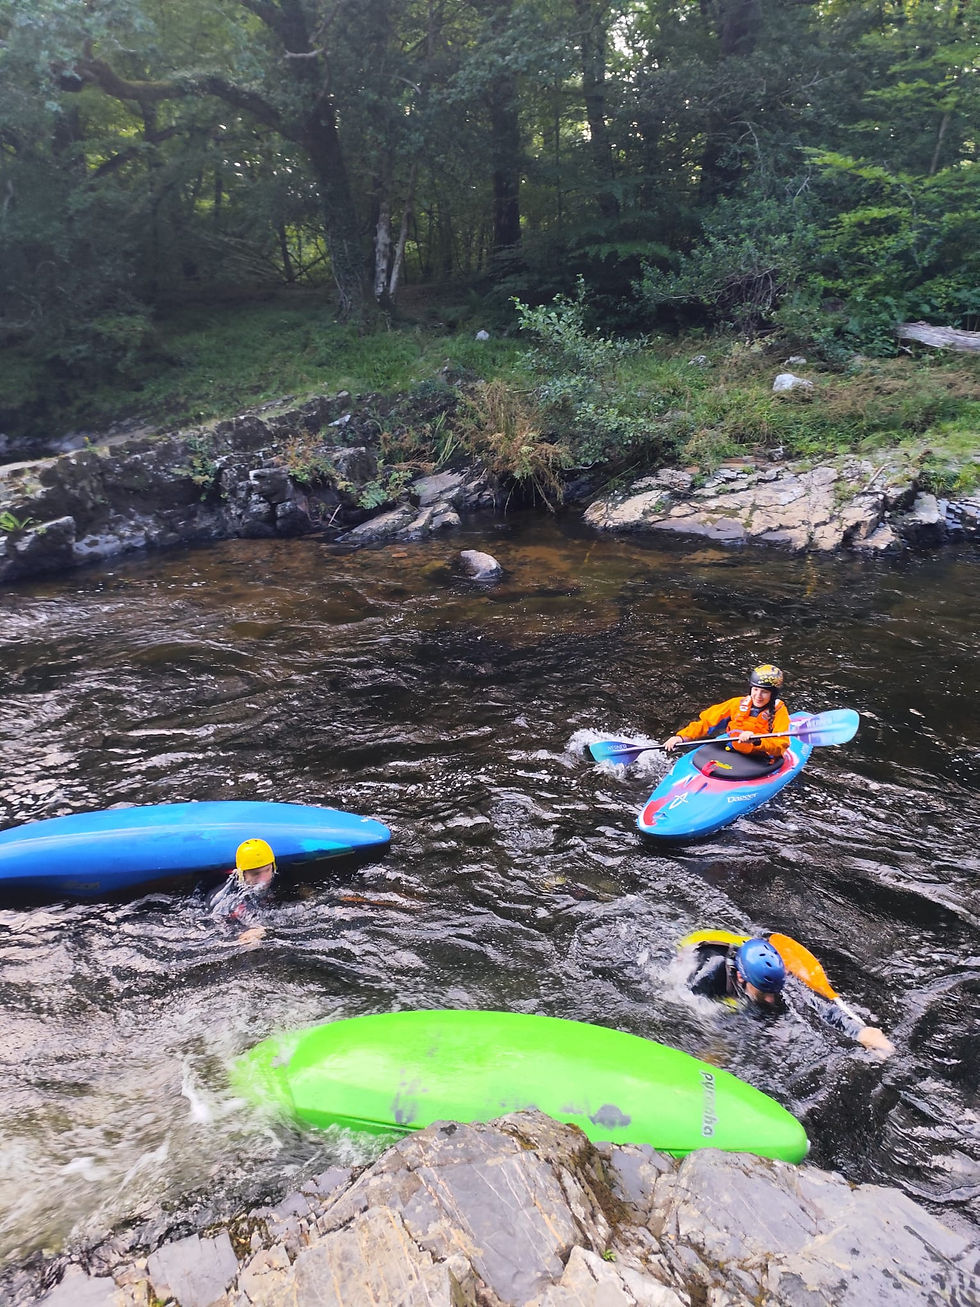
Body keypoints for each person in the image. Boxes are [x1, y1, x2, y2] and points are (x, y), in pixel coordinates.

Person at [683, 933, 895, 1057]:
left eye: (774, 992)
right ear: (741, 978)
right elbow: (685, 1009)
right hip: (695, 954)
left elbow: (821, 1008)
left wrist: (859, 1032)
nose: (771, 999)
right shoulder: (708, 978)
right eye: (765, 993)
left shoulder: (776, 978)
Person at [663, 664, 791, 763]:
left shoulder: (779, 713)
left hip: (761, 758)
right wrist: (681, 737)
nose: (758, 696)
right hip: (733, 749)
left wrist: (757, 740)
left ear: (773, 694)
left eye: (764, 692)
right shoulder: (737, 704)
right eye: (755, 689)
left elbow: (781, 745)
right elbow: (706, 724)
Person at [208, 837, 277, 947]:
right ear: (242, 875)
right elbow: (220, 926)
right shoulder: (228, 898)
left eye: (267, 870)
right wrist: (245, 932)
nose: (264, 879)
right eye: (256, 874)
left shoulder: (279, 878)